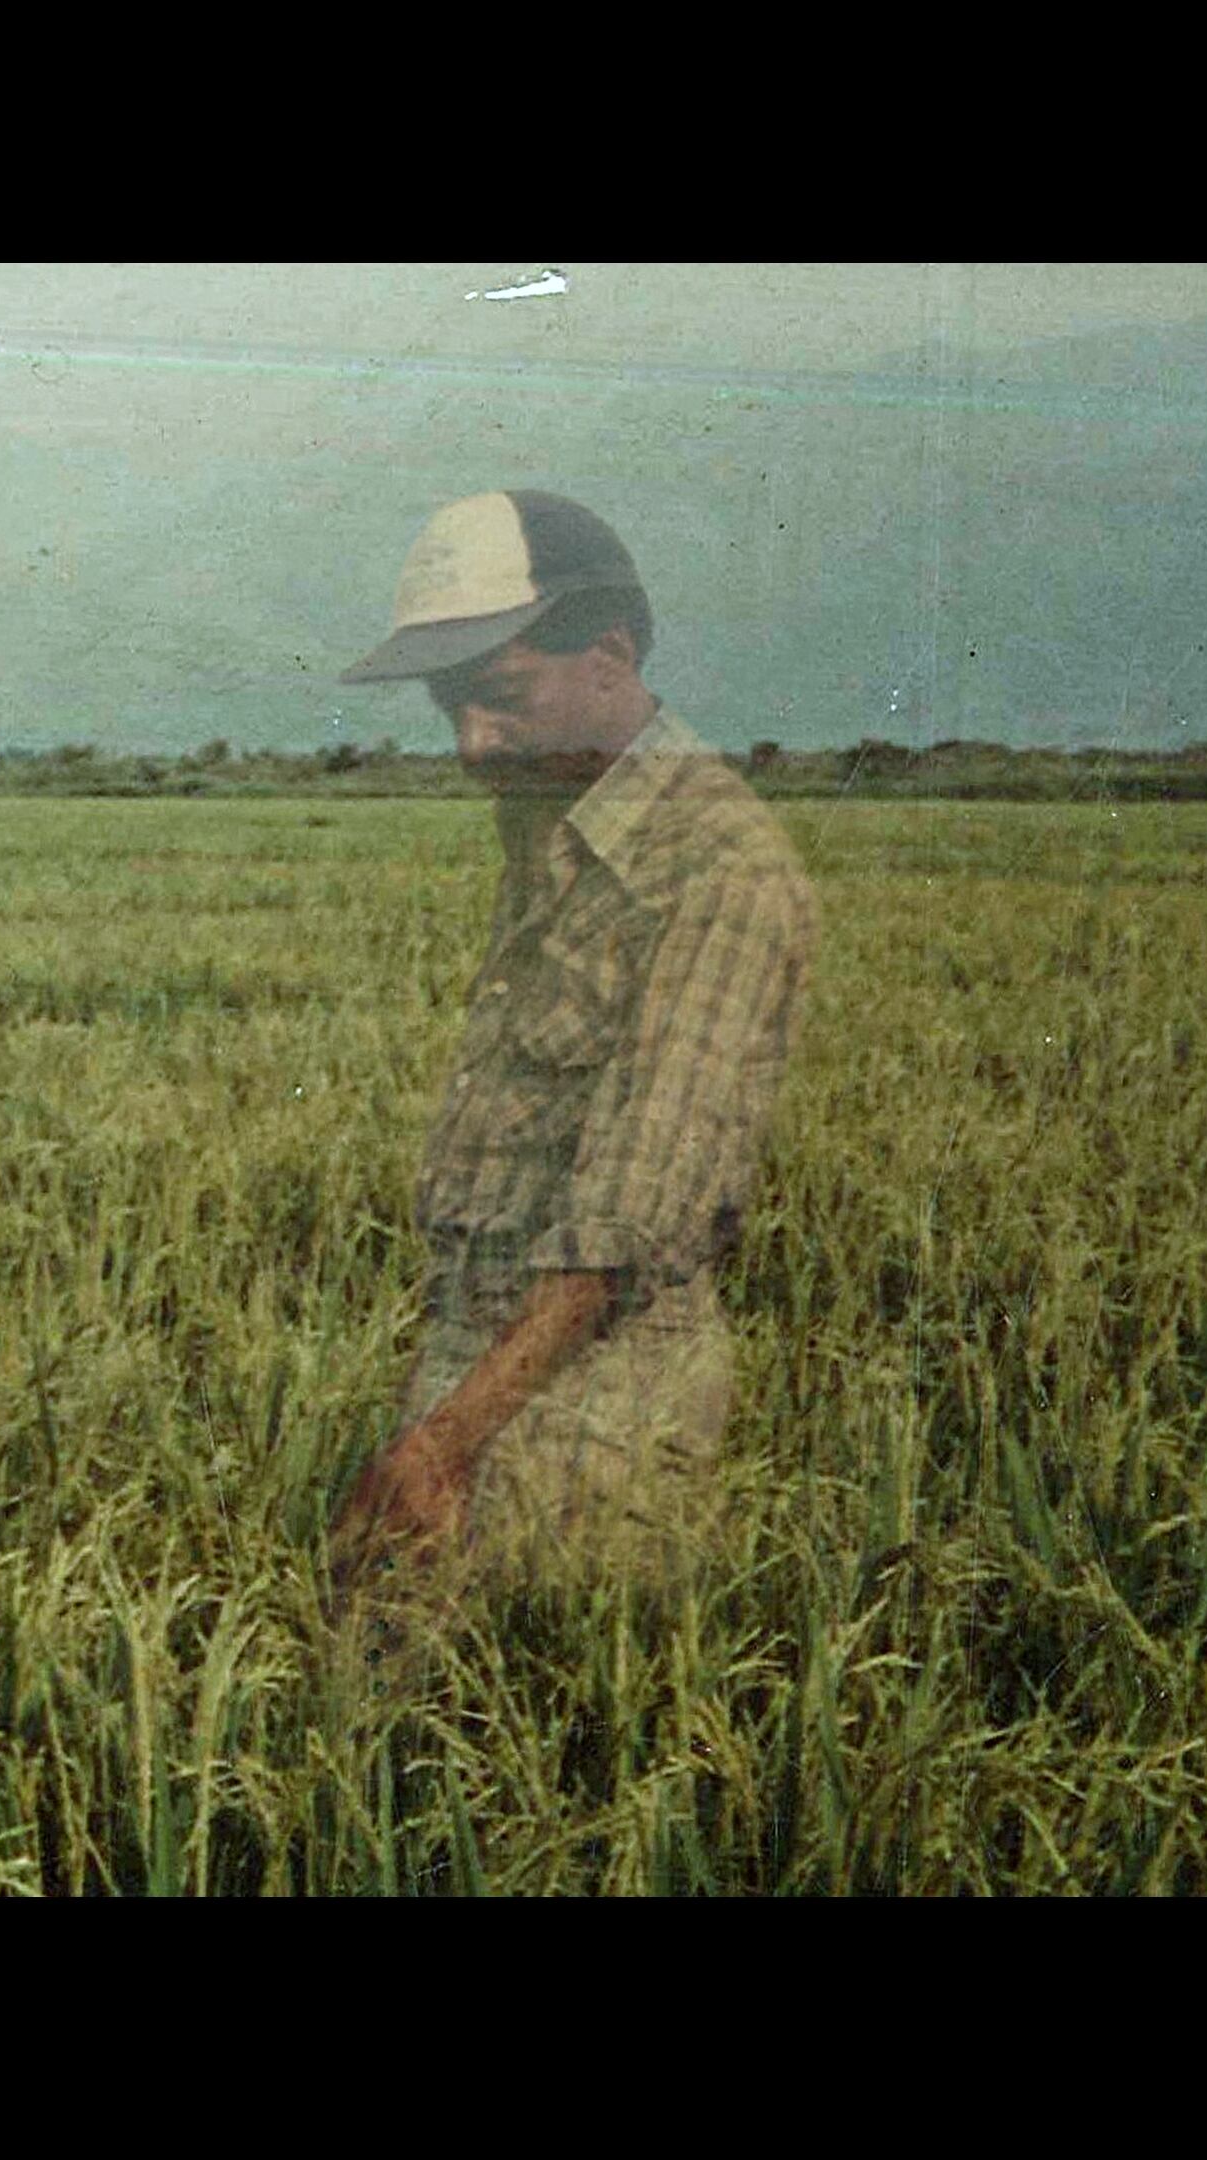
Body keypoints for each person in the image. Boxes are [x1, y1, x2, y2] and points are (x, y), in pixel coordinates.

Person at [320, 491, 819, 1600]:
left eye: (498, 700)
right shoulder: (551, 807)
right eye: (450, 706)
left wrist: (445, 1444)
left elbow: (624, 1225)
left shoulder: (720, 870)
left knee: (505, 1696)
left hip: (603, 1388)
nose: (469, 744)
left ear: (607, 652)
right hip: (479, 1345)